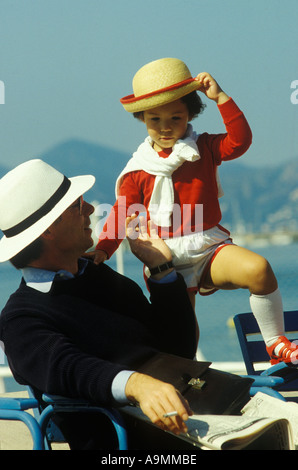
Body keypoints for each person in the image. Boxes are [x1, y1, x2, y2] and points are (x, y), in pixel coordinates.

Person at [93, 57, 298, 365]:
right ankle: (190, 381)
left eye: (175, 118)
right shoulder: (137, 170)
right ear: (142, 118)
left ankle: (275, 344)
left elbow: (240, 142)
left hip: (208, 245)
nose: (165, 127)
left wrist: (221, 98)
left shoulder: (204, 146)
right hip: (166, 259)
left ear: (191, 111)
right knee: (183, 333)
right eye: (155, 120)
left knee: (259, 270)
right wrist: (104, 250)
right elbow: (124, 212)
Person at [0, 158, 201, 449]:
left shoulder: (98, 276)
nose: (92, 210)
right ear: (48, 230)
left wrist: (161, 271)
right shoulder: (20, 318)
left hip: (180, 426)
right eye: (79, 205)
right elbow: (67, 367)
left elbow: (178, 350)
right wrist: (138, 385)